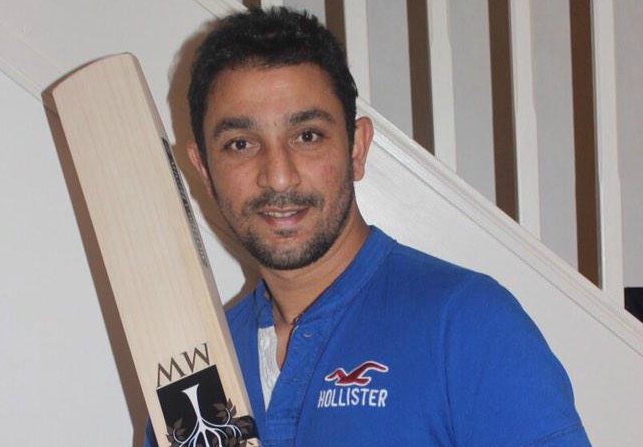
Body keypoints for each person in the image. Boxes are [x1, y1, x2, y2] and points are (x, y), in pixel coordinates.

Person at [146, 7, 591, 447]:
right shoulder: (192, 373)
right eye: (241, 144)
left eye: (307, 136)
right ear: (204, 170)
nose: (278, 177)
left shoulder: (466, 325)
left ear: (356, 148)